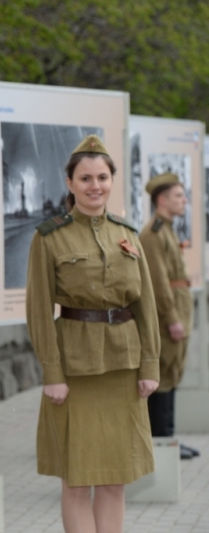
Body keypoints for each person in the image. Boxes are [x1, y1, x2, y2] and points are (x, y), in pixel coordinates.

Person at [26, 134, 160, 533]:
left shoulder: (128, 235)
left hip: (123, 367)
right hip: (75, 370)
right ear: (70, 183)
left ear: (111, 181)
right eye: (85, 178)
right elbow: (37, 310)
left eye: (102, 177)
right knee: (77, 481)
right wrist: (53, 373)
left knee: (115, 481)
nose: (94, 186)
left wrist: (150, 364)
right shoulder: (49, 237)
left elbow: (145, 304)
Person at [139, 172, 201, 459]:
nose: (184, 201)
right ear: (162, 200)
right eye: (179, 196)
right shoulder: (153, 233)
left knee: (172, 376)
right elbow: (159, 282)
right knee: (162, 379)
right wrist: (172, 318)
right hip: (167, 319)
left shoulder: (167, 230)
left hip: (176, 314)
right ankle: (162, 446)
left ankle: (170, 442)